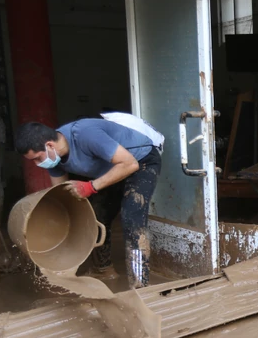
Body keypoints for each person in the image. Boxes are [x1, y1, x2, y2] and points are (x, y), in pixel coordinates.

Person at [14, 116, 163, 288]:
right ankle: (103, 269)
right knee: (96, 216)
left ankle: (140, 284)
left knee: (132, 218)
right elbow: (63, 196)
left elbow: (129, 164)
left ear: (49, 145)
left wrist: (91, 187)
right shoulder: (54, 160)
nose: (37, 163)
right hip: (111, 169)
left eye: (37, 158)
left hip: (140, 161)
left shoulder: (85, 134)